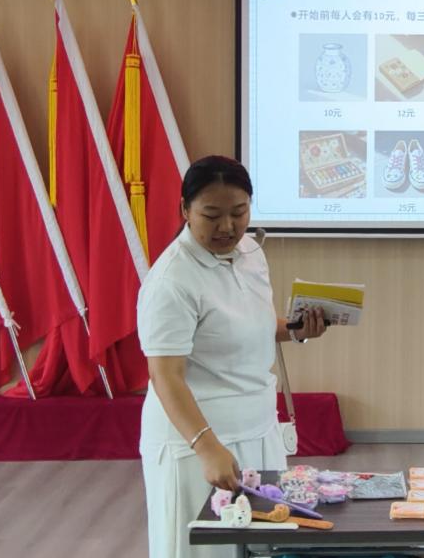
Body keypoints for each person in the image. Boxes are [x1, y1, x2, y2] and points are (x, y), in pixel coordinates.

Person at [138, 155, 328, 558]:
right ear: (185, 210)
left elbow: (250, 325)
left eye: (239, 213)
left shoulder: (251, 253)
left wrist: (296, 329)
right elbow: (165, 375)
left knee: (263, 544)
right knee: (205, 549)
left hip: (258, 426)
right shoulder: (171, 280)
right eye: (212, 215)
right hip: (198, 439)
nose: (227, 227)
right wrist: (206, 447)